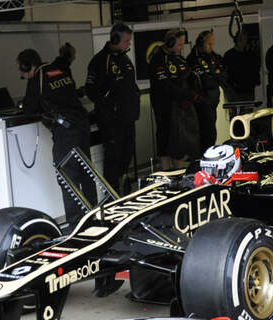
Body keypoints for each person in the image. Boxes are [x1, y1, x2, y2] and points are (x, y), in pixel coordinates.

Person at [18, 48, 97, 228]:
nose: (21, 74)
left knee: (67, 176)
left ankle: (76, 224)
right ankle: (93, 215)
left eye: (21, 71)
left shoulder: (37, 78)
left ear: (27, 66)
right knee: (86, 172)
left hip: (66, 130)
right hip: (82, 125)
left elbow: (29, 108)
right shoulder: (59, 70)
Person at [85, 23, 140, 194]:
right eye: (126, 41)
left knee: (126, 157)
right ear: (115, 39)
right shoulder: (100, 61)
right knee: (113, 160)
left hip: (129, 117)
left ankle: (123, 192)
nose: (128, 44)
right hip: (112, 121)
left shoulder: (124, 58)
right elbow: (91, 90)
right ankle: (112, 197)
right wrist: (111, 107)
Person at [149, 28, 202, 170]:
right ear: (170, 42)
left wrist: (194, 93)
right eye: (179, 44)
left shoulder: (179, 58)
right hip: (164, 108)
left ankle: (179, 174)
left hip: (181, 109)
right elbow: (166, 87)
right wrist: (189, 95)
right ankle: (167, 175)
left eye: (183, 44)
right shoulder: (158, 59)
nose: (182, 47)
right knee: (165, 141)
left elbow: (190, 77)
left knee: (180, 143)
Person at [187, 30, 229, 152]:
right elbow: (206, 80)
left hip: (213, 100)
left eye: (212, 44)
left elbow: (222, 75)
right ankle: (203, 156)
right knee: (206, 132)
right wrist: (214, 76)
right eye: (209, 44)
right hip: (201, 101)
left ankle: (209, 153)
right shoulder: (193, 59)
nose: (211, 47)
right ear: (201, 43)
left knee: (211, 131)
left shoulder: (213, 56)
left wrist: (214, 76)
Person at [223, 29, 261, 101]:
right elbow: (225, 73)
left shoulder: (251, 55)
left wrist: (255, 81)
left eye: (245, 39)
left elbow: (256, 69)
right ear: (236, 39)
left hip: (248, 90)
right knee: (236, 111)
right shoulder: (229, 55)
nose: (243, 41)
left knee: (249, 111)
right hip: (234, 91)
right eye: (241, 39)